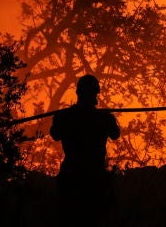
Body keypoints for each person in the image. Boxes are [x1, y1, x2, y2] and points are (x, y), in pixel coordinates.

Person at [50, 74, 121, 226]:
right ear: (96, 93)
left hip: (72, 176)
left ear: (78, 93)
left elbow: (55, 133)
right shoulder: (103, 118)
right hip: (93, 177)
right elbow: (115, 133)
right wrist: (109, 117)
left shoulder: (65, 116)